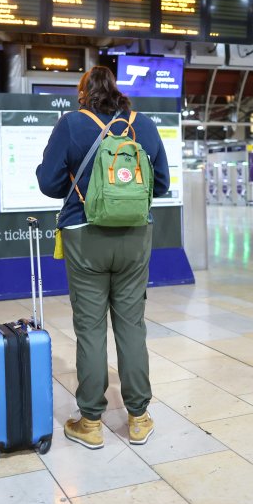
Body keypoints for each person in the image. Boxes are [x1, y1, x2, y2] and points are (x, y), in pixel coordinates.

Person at [36, 66, 170, 450]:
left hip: (84, 237)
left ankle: (91, 422)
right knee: (132, 326)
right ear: (119, 92)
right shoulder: (142, 125)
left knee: (91, 329)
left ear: (84, 94)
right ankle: (139, 418)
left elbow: (48, 183)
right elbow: (160, 184)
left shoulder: (71, 125)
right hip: (135, 236)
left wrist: (77, 185)